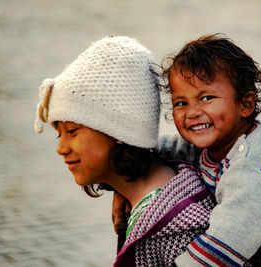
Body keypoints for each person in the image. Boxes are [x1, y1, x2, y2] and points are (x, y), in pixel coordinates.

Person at [113, 34, 261, 266]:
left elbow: (215, 256)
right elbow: (157, 152)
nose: (192, 112)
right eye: (181, 103)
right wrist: (121, 183)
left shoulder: (254, 176)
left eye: (206, 98)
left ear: (246, 104)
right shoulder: (214, 145)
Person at [34, 36, 216, 266]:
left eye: (72, 131)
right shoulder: (161, 188)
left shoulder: (172, 225)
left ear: (119, 131)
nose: (61, 148)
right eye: (59, 133)